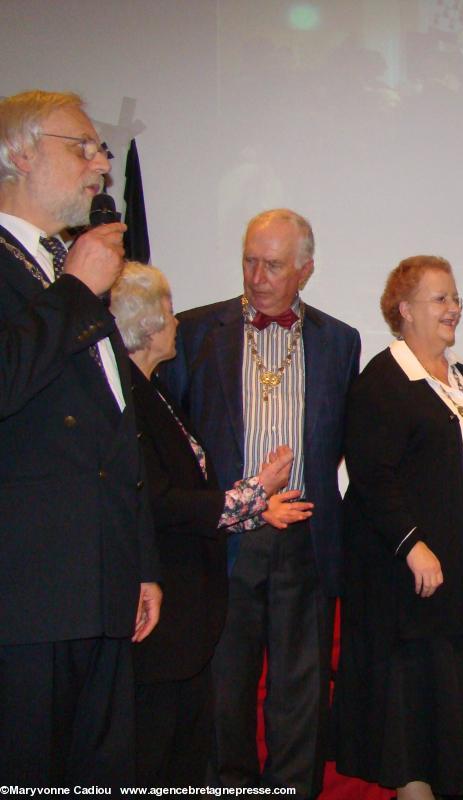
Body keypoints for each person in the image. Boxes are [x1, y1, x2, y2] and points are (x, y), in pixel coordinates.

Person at [160, 209, 360, 797]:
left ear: (306, 270)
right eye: (250, 260)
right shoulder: (196, 331)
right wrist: (240, 505)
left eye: (273, 264)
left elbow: (343, 441)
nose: (257, 275)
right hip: (225, 539)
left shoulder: (340, 340)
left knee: (302, 690)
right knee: (226, 684)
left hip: (306, 534)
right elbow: (171, 441)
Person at [0, 89, 160, 786]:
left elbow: (113, 440)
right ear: (20, 154)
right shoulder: (56, 278)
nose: (101, 165)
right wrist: (72, 292)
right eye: (84, 147)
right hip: (28, 591)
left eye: (100, 149)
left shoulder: (67, 271)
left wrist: (141, 561)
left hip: (98, 580)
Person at [333, 255, 463, 800]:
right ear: (404, 309)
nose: (454, 309)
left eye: (456, 298)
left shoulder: (459, 375)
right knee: (419, 682)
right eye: (440, 299)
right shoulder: (385, 380)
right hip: (415, 570)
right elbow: (372, 477)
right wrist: (412, 544)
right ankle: (415, 789)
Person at [110, 262, 313, 786]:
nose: (177, 322)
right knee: (161, 746)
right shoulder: (127, 398)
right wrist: (254, 492)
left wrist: (255, 501)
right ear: (149, 325)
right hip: (162, 597)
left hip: (186, 595)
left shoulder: (151, 391)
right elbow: (161, 501)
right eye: (169, 313)